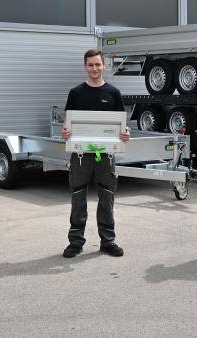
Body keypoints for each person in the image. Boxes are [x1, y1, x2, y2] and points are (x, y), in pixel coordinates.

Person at [61, 49, 130, 258]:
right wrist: (66, 131)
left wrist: (125, 133)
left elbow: (122, 125)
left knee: (107, 195)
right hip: (80, 154)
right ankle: (75, 242)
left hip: (105, 155)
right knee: (78, 196)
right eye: (90, 65)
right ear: (85, 66)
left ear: (103, 66)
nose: (94, 68)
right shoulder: (76, 93)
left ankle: (108, 241)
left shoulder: (113, 93)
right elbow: (67, 123)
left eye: (97, 64)